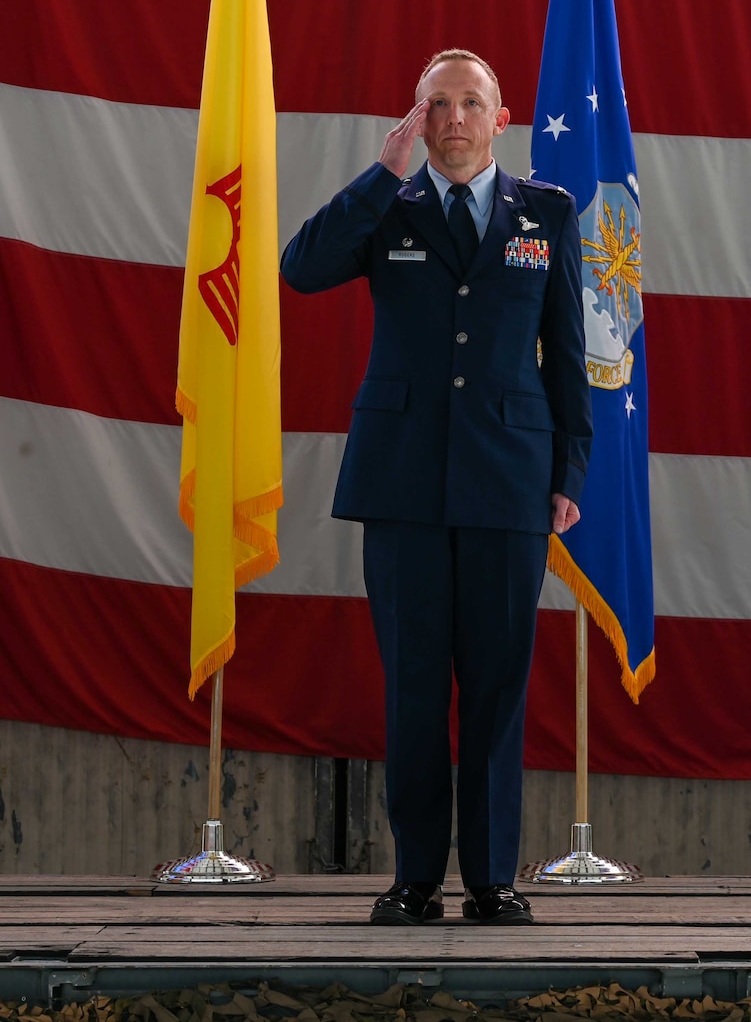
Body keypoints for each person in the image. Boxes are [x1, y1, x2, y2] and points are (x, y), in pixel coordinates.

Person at [282, 49, 592, 927]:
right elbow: (301, 268)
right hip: (405, 483)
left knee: (496, 688)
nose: (453, 119)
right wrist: (379, 177)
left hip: (509, 480)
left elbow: (566, 352)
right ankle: (416, 878)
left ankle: (493, 878)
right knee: (414, 686)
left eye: (470, 103)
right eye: (436, 105)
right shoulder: (390, 206)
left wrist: (569, 469)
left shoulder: (548, 213)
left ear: (502, 118)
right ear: (416, 119)